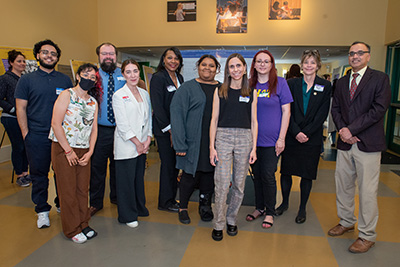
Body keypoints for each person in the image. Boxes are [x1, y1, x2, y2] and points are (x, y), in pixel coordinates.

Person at [328, 41, 391, 253]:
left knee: (367, 191)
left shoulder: (380, 79)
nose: (355, 56)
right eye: (352, 53)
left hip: (368, 144)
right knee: (343, 186)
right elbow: (335, 108)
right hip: (345, 145)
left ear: (368, 56)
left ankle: (367, 235)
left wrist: (351, 130)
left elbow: (378, 109)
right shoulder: (342, 81)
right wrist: (343, 131)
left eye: (360, 53)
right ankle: (346, 221)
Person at [15, 39, 73, 228]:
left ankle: (61, 204)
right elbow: (21, 108)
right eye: (45, 52)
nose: (49, 56)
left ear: (57, 57)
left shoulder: (64, 80)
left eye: (53, 53)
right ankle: (41, 209)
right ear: (38, 55)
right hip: (37, 135)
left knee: (62, 173)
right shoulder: (27, 79)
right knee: (39, 174)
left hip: (61, 136)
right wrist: (26, 134)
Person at [277, 49, 331, 224]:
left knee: (307, 175)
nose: (309, 66)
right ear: (301, 65)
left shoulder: (325, 85)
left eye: (312, 63)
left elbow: (322, 113)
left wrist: (306, 132)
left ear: (318, 66)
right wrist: (296, 131)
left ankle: (302, 208)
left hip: (312, 138)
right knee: (286, 172)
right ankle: (284, 203)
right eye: (306, 62)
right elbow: (286, 110)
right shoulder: (291, 84)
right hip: (292, 136)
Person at [209, 53, 257, 241]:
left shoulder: (251, 92)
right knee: (221, 183)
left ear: (245, 68)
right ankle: (218, 223)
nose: (235, 70)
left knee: (239, 184)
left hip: (245, 138)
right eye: (231, 66)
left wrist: (253, 147)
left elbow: (254, 121)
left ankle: (231, 219)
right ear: (227, 70)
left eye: (239, 66)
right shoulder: (220, 90)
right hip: (223, 137)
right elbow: (213, 120)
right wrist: (212, 147)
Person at [49, 63, 99, 244]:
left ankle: (83, 223)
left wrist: (91, 151)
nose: (89, 78)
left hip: (84, 149)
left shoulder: (93, 102)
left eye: (93, 77)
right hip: (63, 148)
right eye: (86, 74)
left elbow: (94, 130)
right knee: (67, 190)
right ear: (78, 76)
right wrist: (68, 151)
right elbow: (56, 124)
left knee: (82, 189)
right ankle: (72, 229)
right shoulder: (66, 95)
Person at [170, 55, 221, 224]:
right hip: (192, 141)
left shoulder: (222, 88)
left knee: (209, 174)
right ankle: (183, 207)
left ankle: (205, 205)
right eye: (204, 65)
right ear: (198, 67)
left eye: (211, 65)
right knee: (189, 175)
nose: (207, 68)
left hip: (214, 142)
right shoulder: (187, 88)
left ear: (217, 69)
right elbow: (177, 116)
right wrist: (180, 143)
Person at [246, 50, 292, 228]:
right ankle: (259, 208)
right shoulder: (250, 85)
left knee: (268, 175)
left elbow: (286, 112)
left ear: (272, 64)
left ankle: (270, 211)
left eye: (267, 61)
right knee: (256, 175)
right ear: (254, 64)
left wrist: (281, 138)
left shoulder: (280, 83)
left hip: (272, 140)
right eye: (259, 61)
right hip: (252, 141)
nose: (263, 64)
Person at [112, 59, 151, 228]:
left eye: (135, 71)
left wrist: (148, 138)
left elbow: (148, 118)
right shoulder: (119, 95)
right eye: (129, 72)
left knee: (137, 179)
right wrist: (137, 142)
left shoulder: (144, 93)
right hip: (127, 144)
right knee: (126, 181)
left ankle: (139, 207)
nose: (133, 75)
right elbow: (122, 125)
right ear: (123, 75)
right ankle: (127, 215)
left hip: (143, 143)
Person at [89, 42, 126, 216]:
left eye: (111, 54)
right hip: (99, 129)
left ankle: (117, 197)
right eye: (105, 54)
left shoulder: (124, 74)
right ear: (99, 56)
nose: (108, 57)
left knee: (118, 166)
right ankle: (95, 202)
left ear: (116, 56)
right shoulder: (91, 75)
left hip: (120, 129)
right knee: (97, 167)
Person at [150, 47, 184, 213]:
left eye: (176, 58)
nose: (173, 61)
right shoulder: (158, 78)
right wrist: (170, 130)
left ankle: (171, 198)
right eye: (169, 58)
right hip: (164, 131)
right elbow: (158, 107)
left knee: (175, 166)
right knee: (168, 165)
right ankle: (165, 201)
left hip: (177, 129)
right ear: (163, 60)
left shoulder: (179, 77)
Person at [0, 50, 30, 187]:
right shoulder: (5, 79)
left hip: (25, 117)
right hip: (11, 118)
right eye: (19, 61)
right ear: (11, 63)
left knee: (26, 146)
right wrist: (12, 109)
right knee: (18, 146)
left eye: (23, 61)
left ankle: (26, 171)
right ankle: (20, 175)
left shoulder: (25, 79)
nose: (22, 63)